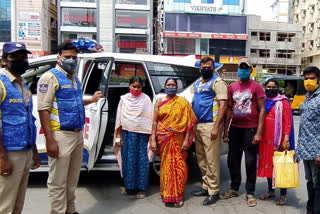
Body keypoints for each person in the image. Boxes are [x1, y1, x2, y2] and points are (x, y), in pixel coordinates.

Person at [37, 42, 102, 214]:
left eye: (74, 57)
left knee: (72, 179)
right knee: (58, 181)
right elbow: (43, 109)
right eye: (67, 57)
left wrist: (92, 100)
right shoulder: (50, 77)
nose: (71, 60)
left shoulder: (74, 79)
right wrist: (49, 140)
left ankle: (70, 210)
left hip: (76, 134)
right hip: (60, 135)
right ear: (59, 58)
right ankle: (58, 211)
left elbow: (75, 102)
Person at [0, 42, 40, 213]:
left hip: (25, 150)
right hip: (9, 151)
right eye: (14, 57)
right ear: (3, 61)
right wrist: (2, 157)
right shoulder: (1, 84)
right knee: (5, 204)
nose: (20, 61)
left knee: (18, 201)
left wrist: (35, 150)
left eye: (23, 57)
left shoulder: (23, 84)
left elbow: (28, 120)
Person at [221, 58, 265, 207]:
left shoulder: (256, 87)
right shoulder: (232, 87)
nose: (243, 70)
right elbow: (228, 108)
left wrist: (259, 132)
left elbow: (262, 109)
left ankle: (250, 192)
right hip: (235, 128)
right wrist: (226, 130)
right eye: (241, 68)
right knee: (233, 160)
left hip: (251, 128)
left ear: (251, 70)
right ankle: (234, 188)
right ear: (238, 69)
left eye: (246, 68)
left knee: (250, 161)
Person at [150, 78, 197, 208]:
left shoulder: (183, 102)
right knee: (166, 167)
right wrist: (153, 138)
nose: (171, 87)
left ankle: (179, 196)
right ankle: (167, 194)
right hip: (163, 138)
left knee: (180, 167)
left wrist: (187, 140)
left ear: (177, 87)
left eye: (173, 85)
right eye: (168, 85)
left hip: (179, 140)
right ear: (164, 86)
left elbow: (189, 123)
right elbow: (154, 121)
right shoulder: (159, 102)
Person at [190, 57, 228, 206]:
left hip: (210, 125)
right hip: (197, 125)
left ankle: (214, 191)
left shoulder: (218, 83)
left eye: (209, 67)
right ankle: (205, 187)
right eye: (203, 67)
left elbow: (223, 106)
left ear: (213, 68)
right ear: (200, 68)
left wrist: (216, 127)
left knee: (211, 160)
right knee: (201, 159)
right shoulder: (198, 82)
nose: (206, 69)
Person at [113, 76, 153, 199]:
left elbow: (150, 118)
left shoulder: (146, 99)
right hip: (128, 134)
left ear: (142, 87)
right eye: (133, 86)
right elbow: (119, 119)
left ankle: (142, 189)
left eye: (138, 87)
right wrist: (118, 137)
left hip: (142, 134)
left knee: (142, 160)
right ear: (129, 86)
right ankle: (129, 187)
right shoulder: (124, 99)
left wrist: (152, 137)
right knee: (128, 160)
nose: (136, 89)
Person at [257, 79, 295, 206]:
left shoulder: (283, 102)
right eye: (268, 87)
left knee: (281, 166)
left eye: (273, 87)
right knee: (269, 165)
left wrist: (285, 139)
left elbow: (288, 122)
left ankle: (283, 195)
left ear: (278, 89)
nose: (270, 89)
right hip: (265, 140)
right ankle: (271, 191)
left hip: (279, 141)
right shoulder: (264, 101)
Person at [295, 66, 320, 214]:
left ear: (318, 79)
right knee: (310, 183)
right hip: (306, 150)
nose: (308, 81)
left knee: (318, 185)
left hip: (316, 151)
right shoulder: (307, 97)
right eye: (306, 79)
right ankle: (310, 210)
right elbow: (303, 126)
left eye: (312, 78)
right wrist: (298, 151)